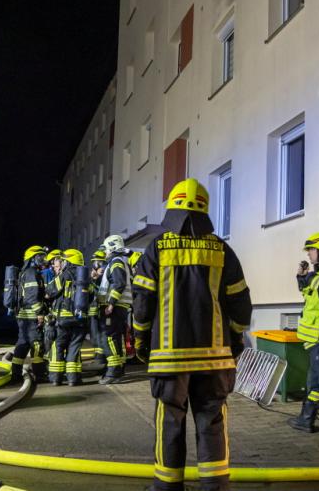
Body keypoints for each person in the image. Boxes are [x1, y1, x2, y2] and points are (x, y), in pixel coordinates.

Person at [132, 178, 252, 491]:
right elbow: (241, 303)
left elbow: (142, 303)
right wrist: (236, 338)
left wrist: (141, 341)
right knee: (212, 420)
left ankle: (167, 486)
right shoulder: (222, 249)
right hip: (214, 359)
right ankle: (215, 486)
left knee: (170, 421)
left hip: (169, 360)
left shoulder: (156, 248)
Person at [287, 233, 319, 433]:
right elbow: (308, 293)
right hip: (315, 341)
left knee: (317, 381)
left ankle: (306, 419)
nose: (309, 254)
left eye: (312, 250)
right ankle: (306, 419)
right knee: (314, 381)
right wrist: (301, 277)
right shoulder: (316, 277)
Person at [45, 248, 88, 386]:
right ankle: (73, 379)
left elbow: (50, 291)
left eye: (63, 261)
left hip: (63, 320)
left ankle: (56, 378)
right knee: (74, 349)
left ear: (69, 261)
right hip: (80, 320)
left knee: (57, 347)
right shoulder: (85, 277)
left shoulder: (65, 274)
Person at [97, 234, 133, 384]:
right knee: (117, 338)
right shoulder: (120, 262)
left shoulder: (116, 262)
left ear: (112, 248)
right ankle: (119, 369)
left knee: (109, 337)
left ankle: (113, 372)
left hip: (115, 307)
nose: (105, 252)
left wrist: (111, 303)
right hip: (120, 306)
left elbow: (119, 283)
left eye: (106, 249)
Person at [12, 245, 48, 383]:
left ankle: (16, 374)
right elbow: (32, 296)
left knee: (22, 344)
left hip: (23, 316)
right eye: (40, 257)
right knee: (37, 345)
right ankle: (39, 375)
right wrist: (40, 313)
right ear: (33, 258)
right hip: (31, 316)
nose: (43, 259)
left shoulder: (25, 272)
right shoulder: (32, 273)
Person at [88, 250, 107, 365]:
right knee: (94, 334)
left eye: (98, 261)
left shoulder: (104, 274)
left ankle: (100, 358)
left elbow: (101, 290)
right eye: (95, 262)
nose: (96, 264)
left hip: (100, 308)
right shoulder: (94, 274)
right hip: (93, 309)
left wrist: (97, 278)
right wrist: (93, 278)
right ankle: (97, 356)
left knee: (99, 334)